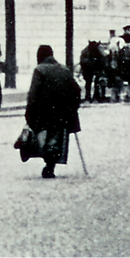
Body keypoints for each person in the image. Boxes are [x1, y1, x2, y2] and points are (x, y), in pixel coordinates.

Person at [25, 44, 81, 178]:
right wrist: (73, 108)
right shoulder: (65, 69)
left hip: (45, 112)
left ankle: (38, 156)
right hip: (63, 112)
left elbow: (33, 94)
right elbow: (77, 90)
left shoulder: (39, 70)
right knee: (57, 139)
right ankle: (50, 165)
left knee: (42, 139)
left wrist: (29, 112)